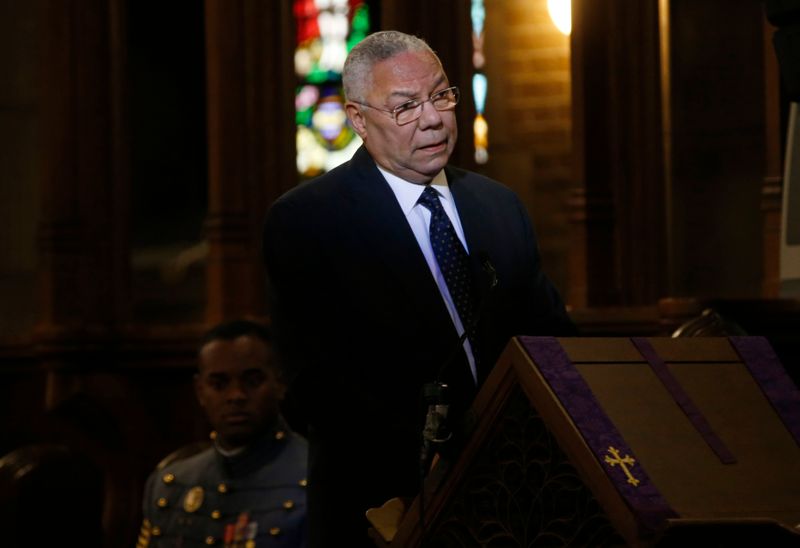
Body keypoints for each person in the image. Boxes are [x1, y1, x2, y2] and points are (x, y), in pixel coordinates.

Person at [262, 30, 575, 546]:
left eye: (442, 96)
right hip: (386, 504)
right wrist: (448, 457)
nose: (432, 118)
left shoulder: (499, 207)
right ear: (359, 119)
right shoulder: (310, 220)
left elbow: (553, 344)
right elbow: (316, 387)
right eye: (405, 107)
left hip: (517, 499)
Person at [138, 320, 308, 547]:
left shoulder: (313, 475)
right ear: (200, 391)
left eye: (252, 381)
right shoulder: (170, 483)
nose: (236, 395)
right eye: (219, 384)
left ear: (279, 383)